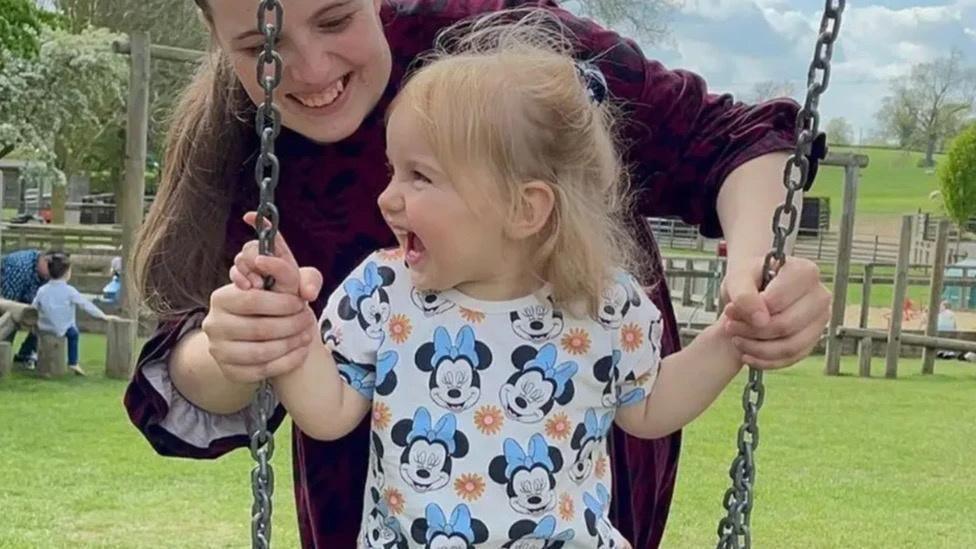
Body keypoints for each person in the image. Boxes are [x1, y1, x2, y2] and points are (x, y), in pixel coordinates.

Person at [125, 1, 831, 547]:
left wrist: (748, 305)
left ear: (529, 205)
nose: (308, 69)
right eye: (260, 49)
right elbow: (317, 400)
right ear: (220, 43)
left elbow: (730, 142)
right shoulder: (376, 285)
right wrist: (271, 336)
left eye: (336, 18)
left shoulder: (514, 64)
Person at [31, 253, 111, 376]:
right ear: (66, 273)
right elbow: (85, 305)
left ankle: (35, 355)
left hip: (44, 327)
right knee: (74, 334)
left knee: (38, 337)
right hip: (63, 328)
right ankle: (73, 362)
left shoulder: (42, 290)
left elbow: (34, 307)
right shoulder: (69, 291)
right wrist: (102, 316)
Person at [1, 248, 52, 366]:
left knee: (47, 317)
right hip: (7, 294)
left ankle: (26, 354)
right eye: (51, 268)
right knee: (10, 317)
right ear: (44, 261)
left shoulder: (51, 273)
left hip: (28, 298)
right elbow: (9, 300)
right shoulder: (19, 266)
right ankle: (3, 356)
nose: (53, 273)